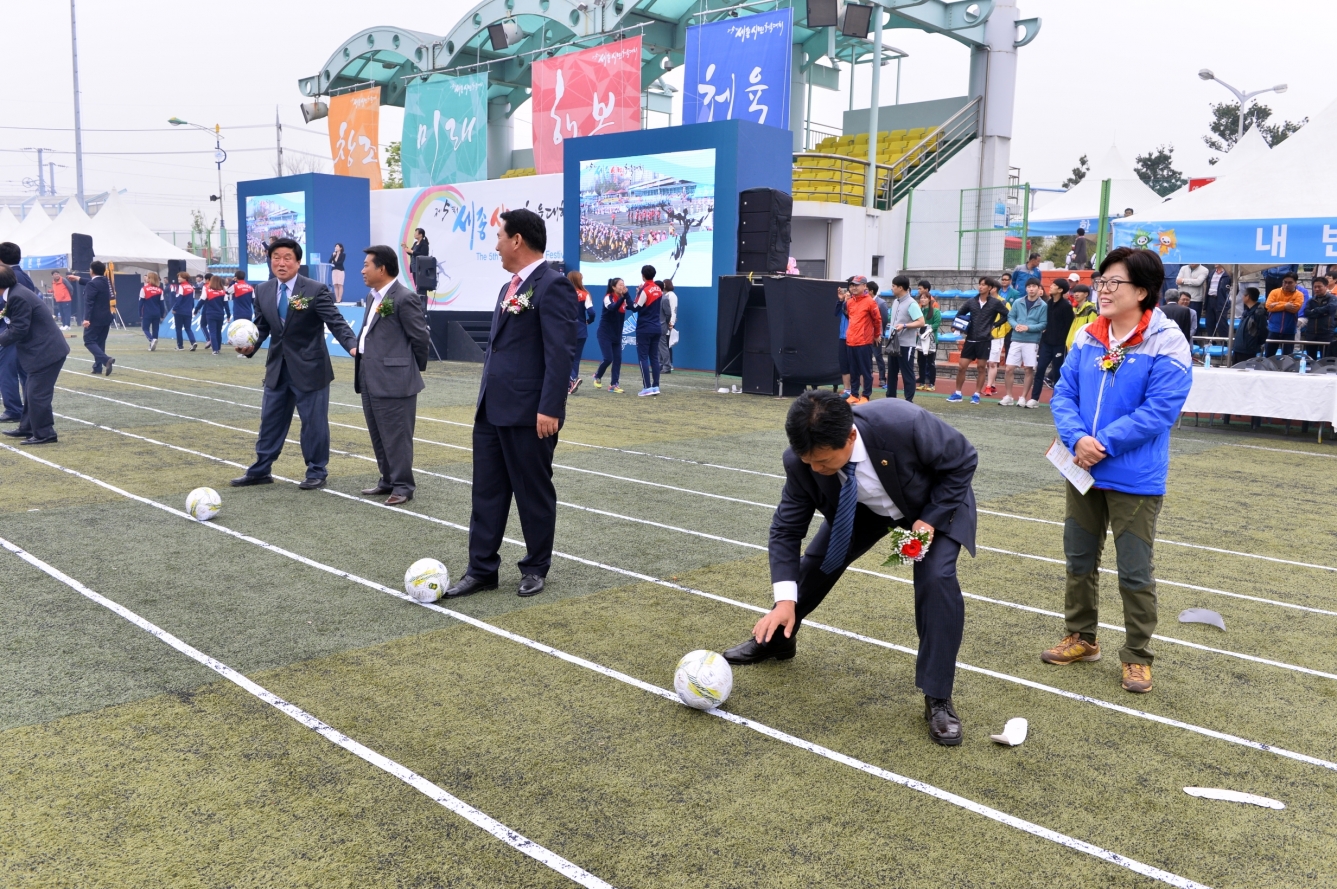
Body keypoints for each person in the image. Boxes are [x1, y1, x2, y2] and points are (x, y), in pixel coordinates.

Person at [721, 390, 978, 746]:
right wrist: (784, 601)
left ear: (851, 436)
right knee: (817, 562)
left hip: (932, 503)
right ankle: (779, 639)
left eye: (824, 461)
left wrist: (929, 520)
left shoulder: (904, 422)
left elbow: (963, 459)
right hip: (862, 510)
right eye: (808, 461)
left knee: (936, 578)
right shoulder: (801, 463)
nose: (816, 469)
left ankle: (937, 697)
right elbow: (786, 530)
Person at [1044, 247, 1192, 695]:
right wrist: (1076, 441)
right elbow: (1063, 393)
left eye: (1114, 283)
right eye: (1101, 282)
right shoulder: (1089, 336)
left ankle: (1137, 656)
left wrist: (1101, 444)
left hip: (1134, 476)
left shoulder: (1167, 342)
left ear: (1143, 292)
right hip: (1082, 468)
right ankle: (1082, 638)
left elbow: (1159, 411)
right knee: (1079, 559)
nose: (1103, 291)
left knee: (1134, 571)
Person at [444, 208, 580, 601]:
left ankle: (535, 567)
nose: (497, 245)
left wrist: (550, 408)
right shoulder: (509, 288)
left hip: (530, 412)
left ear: (517, 239)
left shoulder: (552, 285)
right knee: (486, 492)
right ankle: (481, 569)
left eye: (500, 237)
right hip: (492, 409)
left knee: (533, 492)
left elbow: (559, 353)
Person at [230, 237, 358, 491]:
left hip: (311, 369)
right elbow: (262, 327)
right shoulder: (263, 290)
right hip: (277, 369)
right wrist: (249, 348)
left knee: (314, 423)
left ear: (298, 262)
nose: (281, 263)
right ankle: (261, 470)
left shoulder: (315, 289)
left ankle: (316, 471)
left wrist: (353, 346)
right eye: (276, 258)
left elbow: (336, 322)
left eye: (287, 258)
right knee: (270, 421)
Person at [353, 245, 430, 505]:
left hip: (395, 379)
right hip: (368, 375)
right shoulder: (372, 297)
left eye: (366, 265)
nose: (362, 270)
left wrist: (407, 369)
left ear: (382, 268)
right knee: (378, 432)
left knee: (397, 435)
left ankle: (403, 486)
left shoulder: (403, 297)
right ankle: (387, 479)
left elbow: (420, 338)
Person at [0, 263, 69, 445]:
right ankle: (28, 427)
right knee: (32, 391)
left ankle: (45, 433)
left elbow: (19, 329)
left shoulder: (17, 297)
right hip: (43, 349)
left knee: (37, 394)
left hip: (46, 351)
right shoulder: (16, 292)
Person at [946, 279, 1007, 404]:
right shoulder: (971, 302)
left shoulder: (995, 303)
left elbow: (1007, 314)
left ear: (990, 288)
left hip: (985, 340)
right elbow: (959, 314)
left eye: (984, 285)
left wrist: (995, 324)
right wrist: (955, 325)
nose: (981, 287)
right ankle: (958, 393)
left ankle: (977, 394)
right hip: (970, 339)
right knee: (962, 366)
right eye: (980, 284)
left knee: (981, 368)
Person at [0, 243, 36, 422]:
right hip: (22, 332)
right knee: (24, 372)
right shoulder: (24, 276)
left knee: (7, 370)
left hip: (12, 331)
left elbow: (9, 307)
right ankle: (27, 412)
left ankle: (14, 409)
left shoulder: (11, 277)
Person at [999, 277, 1047, 406]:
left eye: (1034, 286)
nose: (1031, 289)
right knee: (1009, 368)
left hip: (1032, 341)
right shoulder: (1018, 302)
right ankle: (1009, 396)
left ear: (1038, 288)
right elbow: (1011, 317)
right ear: (1026, 288)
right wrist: (1016, 326)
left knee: (1028, 369)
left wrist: (1028, 328)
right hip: (1016, 338)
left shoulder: (1043, 305)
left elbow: (1043, 324)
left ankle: (1023, 397)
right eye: (1029, 286)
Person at [883, 275, 924, 402]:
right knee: (892, 372)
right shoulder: (896, 301)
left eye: (894, 286)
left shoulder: (911, 303)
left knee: (907, 373)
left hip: (906, 344)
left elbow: (921, 322)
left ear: (900, 288)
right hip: (893, 343)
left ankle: (909, 400)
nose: (892, 288)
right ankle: (890, 398)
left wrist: (905, 325)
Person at [1032, 278, 1073, 404]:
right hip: (1046, 344)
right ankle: (1034, 398)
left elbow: (1069, 326)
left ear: (1060, 290)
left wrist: (1064, 344)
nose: (1051, 286)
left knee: (1057, 372)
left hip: (1059, 345)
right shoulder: (1048, 304)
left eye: (1054, 285)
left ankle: (1056, 400)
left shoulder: (1066, 306)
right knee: (1040, 370)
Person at [843, 276, 882, 404]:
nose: (854, 287)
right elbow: (851, 319)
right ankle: (854, 394)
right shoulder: (849, 302)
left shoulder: (870, 302)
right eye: (852, 285)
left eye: (857, 285)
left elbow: (877, 320)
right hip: (851, 341)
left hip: (864, 342)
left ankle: (865, 395)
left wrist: (876, 335)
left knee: (866, 370)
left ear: (865, 286)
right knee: (853, 370)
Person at [72, 261, 115, 376]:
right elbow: (92, 282)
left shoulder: (93, 284)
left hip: (95, 318)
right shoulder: (106, 281)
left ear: (92, 271)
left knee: (89, 340)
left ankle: (106, 360)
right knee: (100, 342)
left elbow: (89, 302)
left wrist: (86, 318)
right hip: (106, 317)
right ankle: (97, 367)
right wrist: (78, 278)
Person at [628, 265, 664, 396]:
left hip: (645, 328)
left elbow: (636, 307)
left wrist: (633, 296)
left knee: (643, 357)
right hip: (656, 327)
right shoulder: (658, 289)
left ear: (643, 275)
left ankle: (647, 387)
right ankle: (656, 386)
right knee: (654, 357)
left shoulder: (646, 289)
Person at [593, 277, 628, 393]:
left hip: (617, 335)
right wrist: (622, 298)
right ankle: (597, 376)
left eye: (623, 284)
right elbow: (613, 308)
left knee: (618, 359)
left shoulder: (624, 299)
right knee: (608, 358)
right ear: (613, 287)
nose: (622, 286)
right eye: (620, 285)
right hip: (605, 333)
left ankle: (614, 385)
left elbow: (633, 307)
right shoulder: (608, 298)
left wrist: (637, 294)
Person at [983, 277, 1012, 396]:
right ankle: (993, 384)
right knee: (987, 362)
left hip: (997, 337)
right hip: (985, 336)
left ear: (994, 289)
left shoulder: (1003, 303)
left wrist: (1000, 332)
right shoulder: (984, 301)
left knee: (993, 362)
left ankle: (988, 386)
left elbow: (1009, 318)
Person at [1264, 273, 1304, 356]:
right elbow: (1268, 306)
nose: (1286, 285)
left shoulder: (1299, 294)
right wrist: (1285, 305)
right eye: (1285, 282)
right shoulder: (1274, 292)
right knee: (1268, 356)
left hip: (1289, 330)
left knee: (1287, 357)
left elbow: (1295, 308)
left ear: (1295, 283)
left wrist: (1277, 304)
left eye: (1290, 283)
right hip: (1273, 329)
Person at [568, 270, 594, 394]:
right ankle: (572, 383)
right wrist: (588, 321)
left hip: (567, 329)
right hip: (581, 330)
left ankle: (572, 379)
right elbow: (592, 313)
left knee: (566, 357)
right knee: (576, 358)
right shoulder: (585, 294)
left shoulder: (565, 293)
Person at [1231, 287, 1270, 365]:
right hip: (1239, 348)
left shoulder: (1258, 313)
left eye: (1244, 295)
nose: (1242, 297)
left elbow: (1263, 332)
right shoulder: (1247, 312)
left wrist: (1254, 344)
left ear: (1248, 297)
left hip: (1248, 349)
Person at [1301, 276, 1336, 359]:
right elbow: (1306, 312)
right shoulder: (1311, 300)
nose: (1316, 289)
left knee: (1325, 358)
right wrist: (1322, 312)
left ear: (1326, 287)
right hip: (1311, 333)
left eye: (1319, 287)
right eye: (1315, 287)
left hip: (1326, 333)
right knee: (1310, 359)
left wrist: (1315, 310)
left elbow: (1331, 308)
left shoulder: (1332, 299)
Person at [915, 284, 941, 392]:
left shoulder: (935, 311)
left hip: (931, 340)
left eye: (925, 298)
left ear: (929, 299)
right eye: (921, 298)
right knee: (921, 362)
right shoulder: (918, 311)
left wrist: (927, 329)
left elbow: (936, 324)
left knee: (931, 362)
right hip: (920, 340)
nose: (923, 299)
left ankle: (931, 383)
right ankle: (922, 382)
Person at [195, 275, 228, 355]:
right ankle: (219, 349)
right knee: (218, 332)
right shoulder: (223, 292)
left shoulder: (207, 291)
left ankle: (215, 350)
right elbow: (226, 305)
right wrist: (229, 315)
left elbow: (201, 302)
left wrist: (196, 310)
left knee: (212, 332)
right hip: (220, 314)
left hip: (210, 314)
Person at [169, 272, 198, 351]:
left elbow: (179, 300)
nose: (178, 278)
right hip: (188, 311)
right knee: (188, 328)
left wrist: (174, 309)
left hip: (180, 311)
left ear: (185, 278)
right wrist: (191, 309)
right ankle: (193, 342)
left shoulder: (181, 287)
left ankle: (180, 346)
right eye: (178, 277)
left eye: (180, 277)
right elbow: (192, 301)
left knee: (178, 328)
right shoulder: (192, 287)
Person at [1204, 264, 1232, 340]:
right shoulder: (1211, 273)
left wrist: (1228, 298)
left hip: (1221, 301)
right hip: (1210, 299)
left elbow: (1235, 290)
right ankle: (1211, 342)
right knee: (1209, 323)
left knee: (1222, 324)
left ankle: (1226, 344)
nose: (1215, 263)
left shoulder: (1228, 274)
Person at [139, 272, 166, 351]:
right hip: (157, 313)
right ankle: (153, 345)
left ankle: (151, 340)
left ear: (150, 278)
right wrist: (162, 314)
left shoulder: (144, 289)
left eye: (147, 276)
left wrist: (140, 313)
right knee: (156, 329)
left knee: (145, 328)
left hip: (147, 312)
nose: (146, 278)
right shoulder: (160, 290)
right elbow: (162, 304)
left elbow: (140, 303)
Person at [1066, 284, 1097, 349]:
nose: (1076, 294)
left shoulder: (1090, 309)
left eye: (1079, 292)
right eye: (1075, 292)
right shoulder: (1074, 309)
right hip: (1071, 344)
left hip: (1082, 345)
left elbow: (1092, 328)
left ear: (1086, 294)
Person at [869, 280, 888, 389]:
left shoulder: (881, 303)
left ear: (871, 291)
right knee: (868, 357)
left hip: (877, 334)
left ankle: (882, 378)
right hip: (866, 334)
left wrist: (880, 332)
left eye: (867, 289)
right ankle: (869, 376)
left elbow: (884, 319)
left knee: (878, 356)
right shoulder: (865, 301)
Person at [659, 278, 678, 374]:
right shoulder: (664, 295)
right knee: (662, 345)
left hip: (668, 323)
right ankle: (662, 364)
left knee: (666, 345)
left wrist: (671, 322)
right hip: (664, 322)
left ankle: (668, 365)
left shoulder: (671, 296)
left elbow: (673, 311)